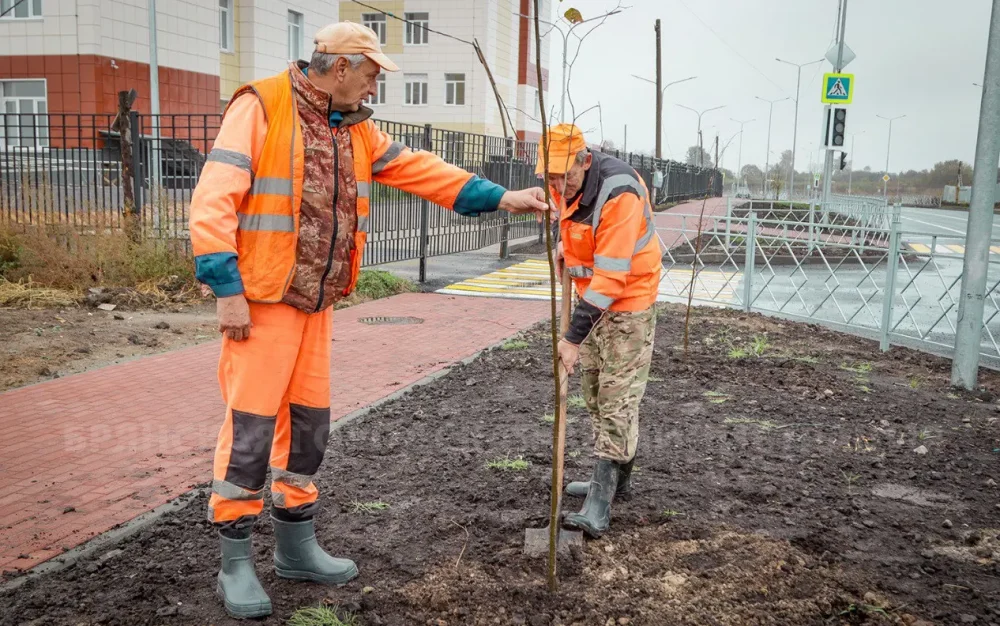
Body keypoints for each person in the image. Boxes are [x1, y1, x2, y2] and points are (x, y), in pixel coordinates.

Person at [188, 21, 548, 619]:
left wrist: (500, 196)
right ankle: (236, 563)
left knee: (308, 428)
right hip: (262, 302)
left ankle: (296, 547)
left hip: (316, 304)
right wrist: (226, 289)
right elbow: (213, 198)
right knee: (250, 432)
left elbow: (421, 170)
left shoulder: (354, 129)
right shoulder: (261, 106)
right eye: (373, 72)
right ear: (340, 67)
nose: (376, 84)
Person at [539, 124, 661, 539]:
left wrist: (571, 340)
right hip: (592, 302)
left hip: (628, 303)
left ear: (584, 160)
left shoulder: (619, 192)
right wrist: (565, 249)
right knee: (594, 390)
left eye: (563, 176)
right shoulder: (563, 184)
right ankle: (616, 479)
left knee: (616, 397)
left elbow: (610, 279)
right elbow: (579, 230)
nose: (557, 184)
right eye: (549, 176)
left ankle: (600, 504)